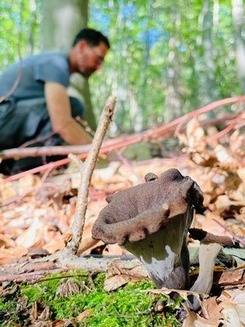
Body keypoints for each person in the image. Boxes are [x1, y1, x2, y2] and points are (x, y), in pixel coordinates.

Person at [0, 27, 110, 174]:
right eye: (98, 58)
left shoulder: (55, 64)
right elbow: (62, 124)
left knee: (72, 107)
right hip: (3, 118)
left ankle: (13, 167)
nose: (99, 66)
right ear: (82, 47)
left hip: (8, 120)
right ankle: (22, 171)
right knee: (70, 108)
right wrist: (101, 153)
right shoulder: (56, 64)